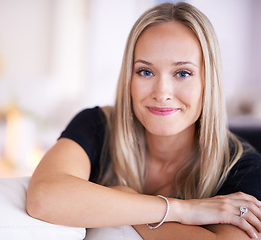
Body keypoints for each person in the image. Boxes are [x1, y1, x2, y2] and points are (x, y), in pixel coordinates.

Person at [26, 2, 261, 239]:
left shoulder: (242, 165)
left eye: (183, 73)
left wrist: (126, 201)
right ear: (129, 77)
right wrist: (182, 211)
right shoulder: (97, 125)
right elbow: (43, 197)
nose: (162, 92)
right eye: (145, 72)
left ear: (208, 82)